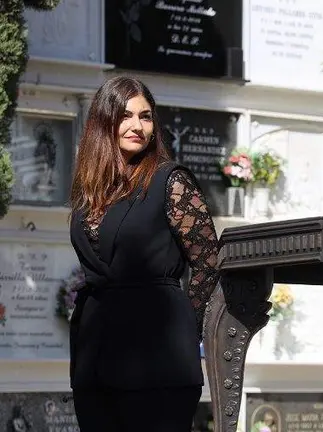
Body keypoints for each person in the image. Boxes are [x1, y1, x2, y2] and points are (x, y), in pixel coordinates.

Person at [67, 76, 220, 431]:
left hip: (158, 358)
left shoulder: (170, 181)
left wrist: (184, 326)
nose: (138, 126)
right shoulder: (87, 193)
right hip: (96, 356)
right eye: (126, 115)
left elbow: (207, 261)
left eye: (146, 116)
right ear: (103, 122)